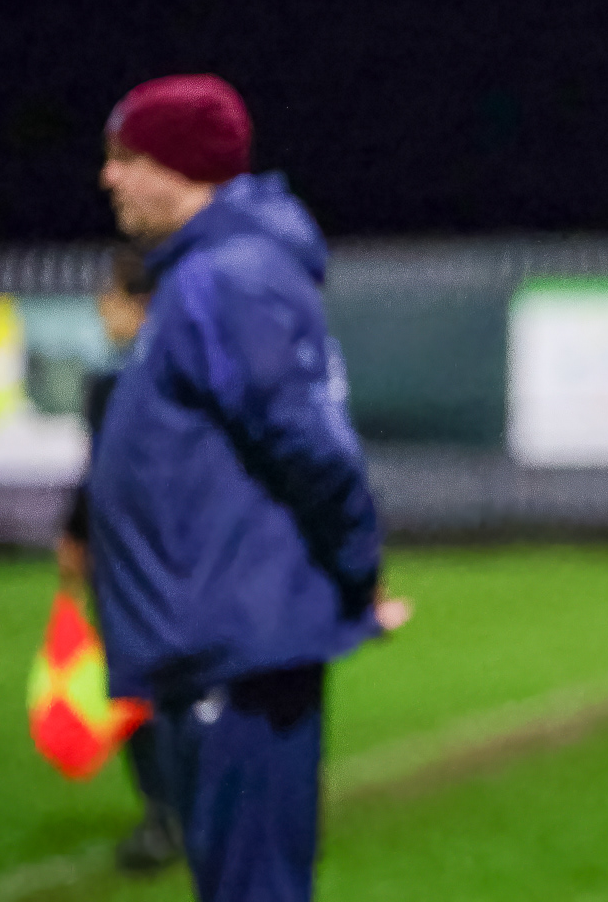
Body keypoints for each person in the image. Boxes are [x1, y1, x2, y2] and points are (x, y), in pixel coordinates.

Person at [87, 74, 410, 902]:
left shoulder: (227, 278)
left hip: (236, 647)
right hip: (215, 642)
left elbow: (310, 445)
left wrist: (356, 569)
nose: (109, 176)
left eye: (127, 157)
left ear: (181, 165)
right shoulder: (206, 275)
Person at [54, 245, 181, 872]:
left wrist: (76, 536)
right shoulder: (166, 374)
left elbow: (103, 476)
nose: (102, 311)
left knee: (149, 688)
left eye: (110, 298)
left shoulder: (130, 381)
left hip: (143, 562)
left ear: (140, 303)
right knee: (163, 686)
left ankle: (167, 814)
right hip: (162, 559)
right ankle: (177, 810)